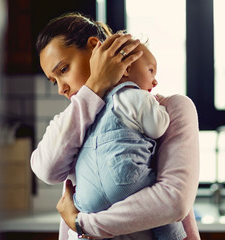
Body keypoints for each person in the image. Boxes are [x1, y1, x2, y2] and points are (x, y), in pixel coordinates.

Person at [31, 12, 200, 239]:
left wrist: (82, 223)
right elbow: (47, 170)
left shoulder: (169, 109)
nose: (61, 88)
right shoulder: (70, 120)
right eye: (54, 81)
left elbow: (173, 202)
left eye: (63, 70)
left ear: (94, 47)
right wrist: (93, 89)